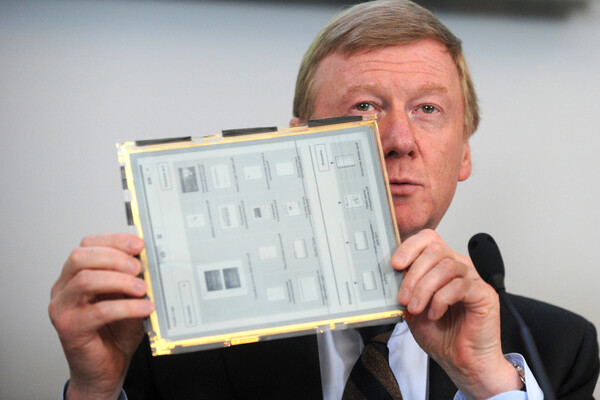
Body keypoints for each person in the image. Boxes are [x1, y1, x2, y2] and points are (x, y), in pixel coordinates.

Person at [49, 1, 599, 399]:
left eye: (428, 109)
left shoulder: (557, 349)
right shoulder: (175, 341)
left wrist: (487, 383)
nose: (399, 140)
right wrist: (97, 390)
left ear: (464, 154)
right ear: (297, 146)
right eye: (365, 107)